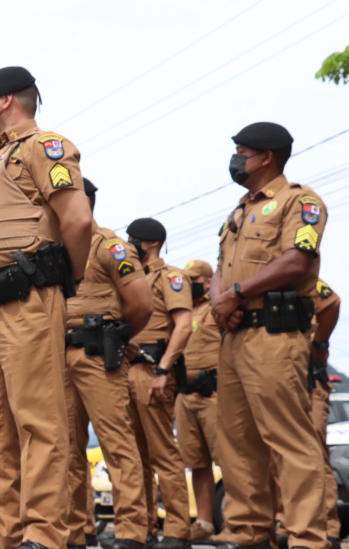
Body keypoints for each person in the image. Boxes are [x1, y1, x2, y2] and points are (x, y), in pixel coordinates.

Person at [0, 66, 93, 549]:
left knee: (38, 420)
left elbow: (77, 220)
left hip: (28, 297)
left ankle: (44, 533)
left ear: (6, 101)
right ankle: (3, 533)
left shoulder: (46, 147)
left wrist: (66, 278)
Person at [211, 122, 328, 549]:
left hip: (274, 336)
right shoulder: (239, 211)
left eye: (242, 152)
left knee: (289, 439)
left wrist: (236, 294)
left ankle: (307, 538)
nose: (235, 159)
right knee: (237, 441)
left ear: (266, 158)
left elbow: (297, 261)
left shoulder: (300, 201)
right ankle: (249, 533)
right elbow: (220, 267)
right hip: (234, 336)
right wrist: (219, 301)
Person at [64, 179, 153, 549]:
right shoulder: (54, 249)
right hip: (58, 355)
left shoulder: (109, 246)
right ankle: (76, 530)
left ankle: (131, 530)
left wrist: (117, 334)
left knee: (117, 443)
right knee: (65, 448)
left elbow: (141, 304)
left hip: (98, 354)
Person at [124, 217, 192, 549]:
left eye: (133, 239)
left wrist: (164, 369)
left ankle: (178, 530)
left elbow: (184, 325)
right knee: (134, 456)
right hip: (125, 369)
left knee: (162, 452)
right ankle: (143, 528)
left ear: (151, 242)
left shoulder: (171, 277)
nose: (128, 245)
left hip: (153, 369)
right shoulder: (130, 279)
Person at [271, 278, 341, 549]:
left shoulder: (305, 280)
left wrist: (318, 345)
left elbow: (333, 302)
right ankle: (286, 524)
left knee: (315, 453)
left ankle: (328, 526)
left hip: (310, 380)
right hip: (281, 380)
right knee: (281, 454)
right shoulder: (264, 283)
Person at [174, 260, 220, 543]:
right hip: (185, 394)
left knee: (229, 459)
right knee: (196, 461)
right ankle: (204, 522)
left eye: (193, 280)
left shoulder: (216, 308)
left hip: (212, 393)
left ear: (208, 281)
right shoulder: (180, 311)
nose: (187, 285)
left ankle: (239, 520)